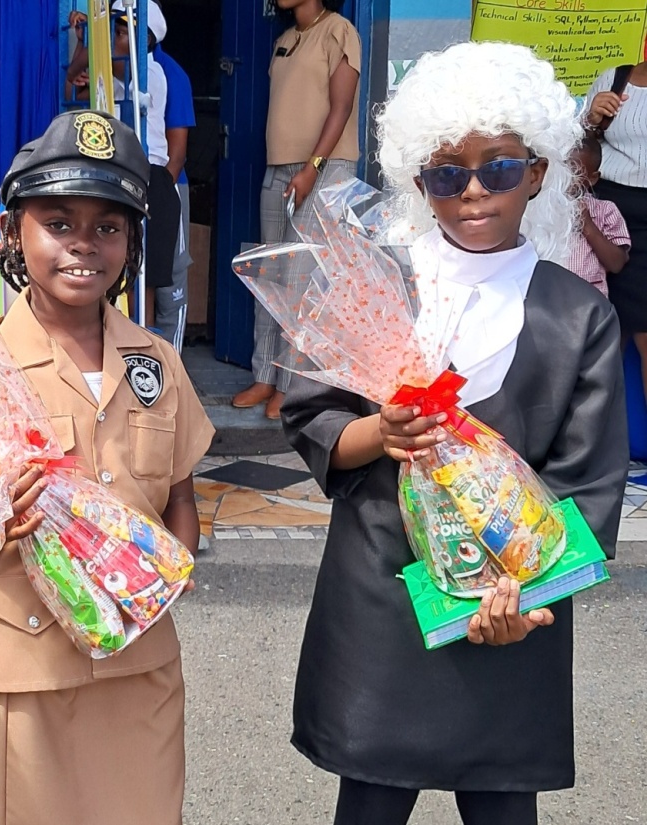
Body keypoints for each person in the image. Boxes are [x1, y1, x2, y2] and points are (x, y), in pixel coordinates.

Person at [280, 42, 627, 825]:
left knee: (502, 807)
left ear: (537, 172)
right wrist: (381, 432)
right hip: (381, 591)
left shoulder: (578, 314)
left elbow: (588, 482)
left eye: (498, 169)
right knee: (368, 800)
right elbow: (309, 411)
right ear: (417, 179)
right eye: (446, 173)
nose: (473, 190)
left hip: (512, 604)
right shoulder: (378, 282)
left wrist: (528, 599)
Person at [0, 110, 214, 824]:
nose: (84, 245)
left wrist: (172, 568)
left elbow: (179, 497)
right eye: (58, 222)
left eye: (108, 227)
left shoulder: (157, 365)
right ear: (14, 232)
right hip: (25, 667)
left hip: (138, 661)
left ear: (132, 240)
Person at [233, 0, 361, 419]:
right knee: (269, 272)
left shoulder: (340, 31)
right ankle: (264, 375)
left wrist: (312, 168)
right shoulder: (285, 39)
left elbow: (340, 108)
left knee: (302, 278)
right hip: (279, 167)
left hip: (322, 169)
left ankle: (291, 384)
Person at [66, 1, 181, 334]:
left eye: (120, 32)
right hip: (114, 175)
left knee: (141, 277)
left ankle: (140, 347)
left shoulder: (147, 72)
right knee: (110, 269)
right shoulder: (111, 73)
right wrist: (87, 44)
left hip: (149, 179)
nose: (113, 39)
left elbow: (87, 66)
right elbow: (71, 82)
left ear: (141, 40)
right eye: (113, 31)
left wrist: (89, 36)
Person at [584, 58, 647, 402]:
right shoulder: (616, 78)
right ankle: (597, 441)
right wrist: (592, 119)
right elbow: (583, 145)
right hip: (608, 209)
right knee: (605, 327)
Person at [154, 42, 196, 353]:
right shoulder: (110, 65)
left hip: (166, 187)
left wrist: (158, 193)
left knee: (170, 280)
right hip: (125, 190)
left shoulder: (170, 73)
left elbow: (177, 155)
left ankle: (173, 367)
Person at [565, 135, 630, 297]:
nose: (567, 178)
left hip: (588, 302)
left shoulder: (605, 211)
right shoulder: (539, 207)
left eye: (576, 173)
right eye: (562, 169)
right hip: (547, 298)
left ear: (592, 178)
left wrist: (588, 226)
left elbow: (616, 264)